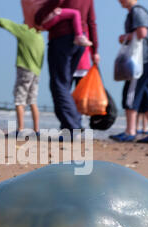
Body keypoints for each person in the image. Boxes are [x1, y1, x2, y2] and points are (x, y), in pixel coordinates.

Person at [35, 0, 99, 139]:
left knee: (59, 85)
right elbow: (91, 21)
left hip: (62, 38)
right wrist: (95, 50)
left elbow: (51, 5)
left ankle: (72, 127)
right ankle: (69, 127)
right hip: (79, 40)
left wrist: (39, 15)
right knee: (65, 84)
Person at [0, 13, 44, 137]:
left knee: (19, 100)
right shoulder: (39, 36)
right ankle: (36, 130)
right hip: (36, 72)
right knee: (32, 100)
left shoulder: (24, 30)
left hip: (25, 70)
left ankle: (20, 130)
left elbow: (7, 24)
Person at [110, 0, 148, 143]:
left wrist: (124, 37)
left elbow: (142, 33)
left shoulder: (137, 11)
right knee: (147, 94)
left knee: (131, 93)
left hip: (140, 60)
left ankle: (130, 131)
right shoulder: (138, 11)